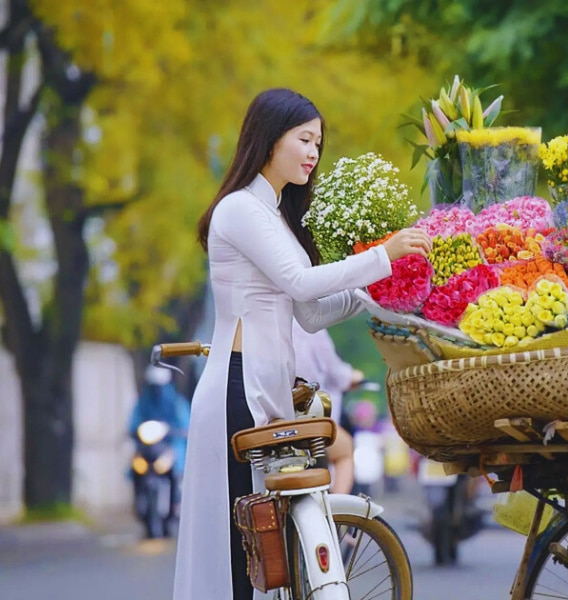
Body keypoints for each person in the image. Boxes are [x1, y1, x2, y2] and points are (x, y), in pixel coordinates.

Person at [172, 88, 432, 600]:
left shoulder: (278, 218)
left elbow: (310, 313)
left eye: (318, 142)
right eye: (304, 139)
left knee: (264, 539)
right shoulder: (239, 209)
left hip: (265, 390)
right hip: (236, 390)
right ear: (269, 139)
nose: (313, 152)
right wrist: (383, 254)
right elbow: (300, 283)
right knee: (237, 547)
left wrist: (378, 294)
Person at [291, 320, 361, 494]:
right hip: (302, 421)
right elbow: (336, 374)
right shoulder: (307, 325)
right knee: (345, 449)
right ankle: (337, 512)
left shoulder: (251, 320)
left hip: (264, 417)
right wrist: (354, 376)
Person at [129, 364, 190, 528]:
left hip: (169, 445)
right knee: (135, 466)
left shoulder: (176, 402)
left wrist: (178, 431)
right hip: (148, 446)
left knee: (176, 466)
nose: (157, 390)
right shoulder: (143, 402)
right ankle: (137, 501)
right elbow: (134, 422)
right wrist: (133, 431)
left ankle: (175, 503)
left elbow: (185, 423)